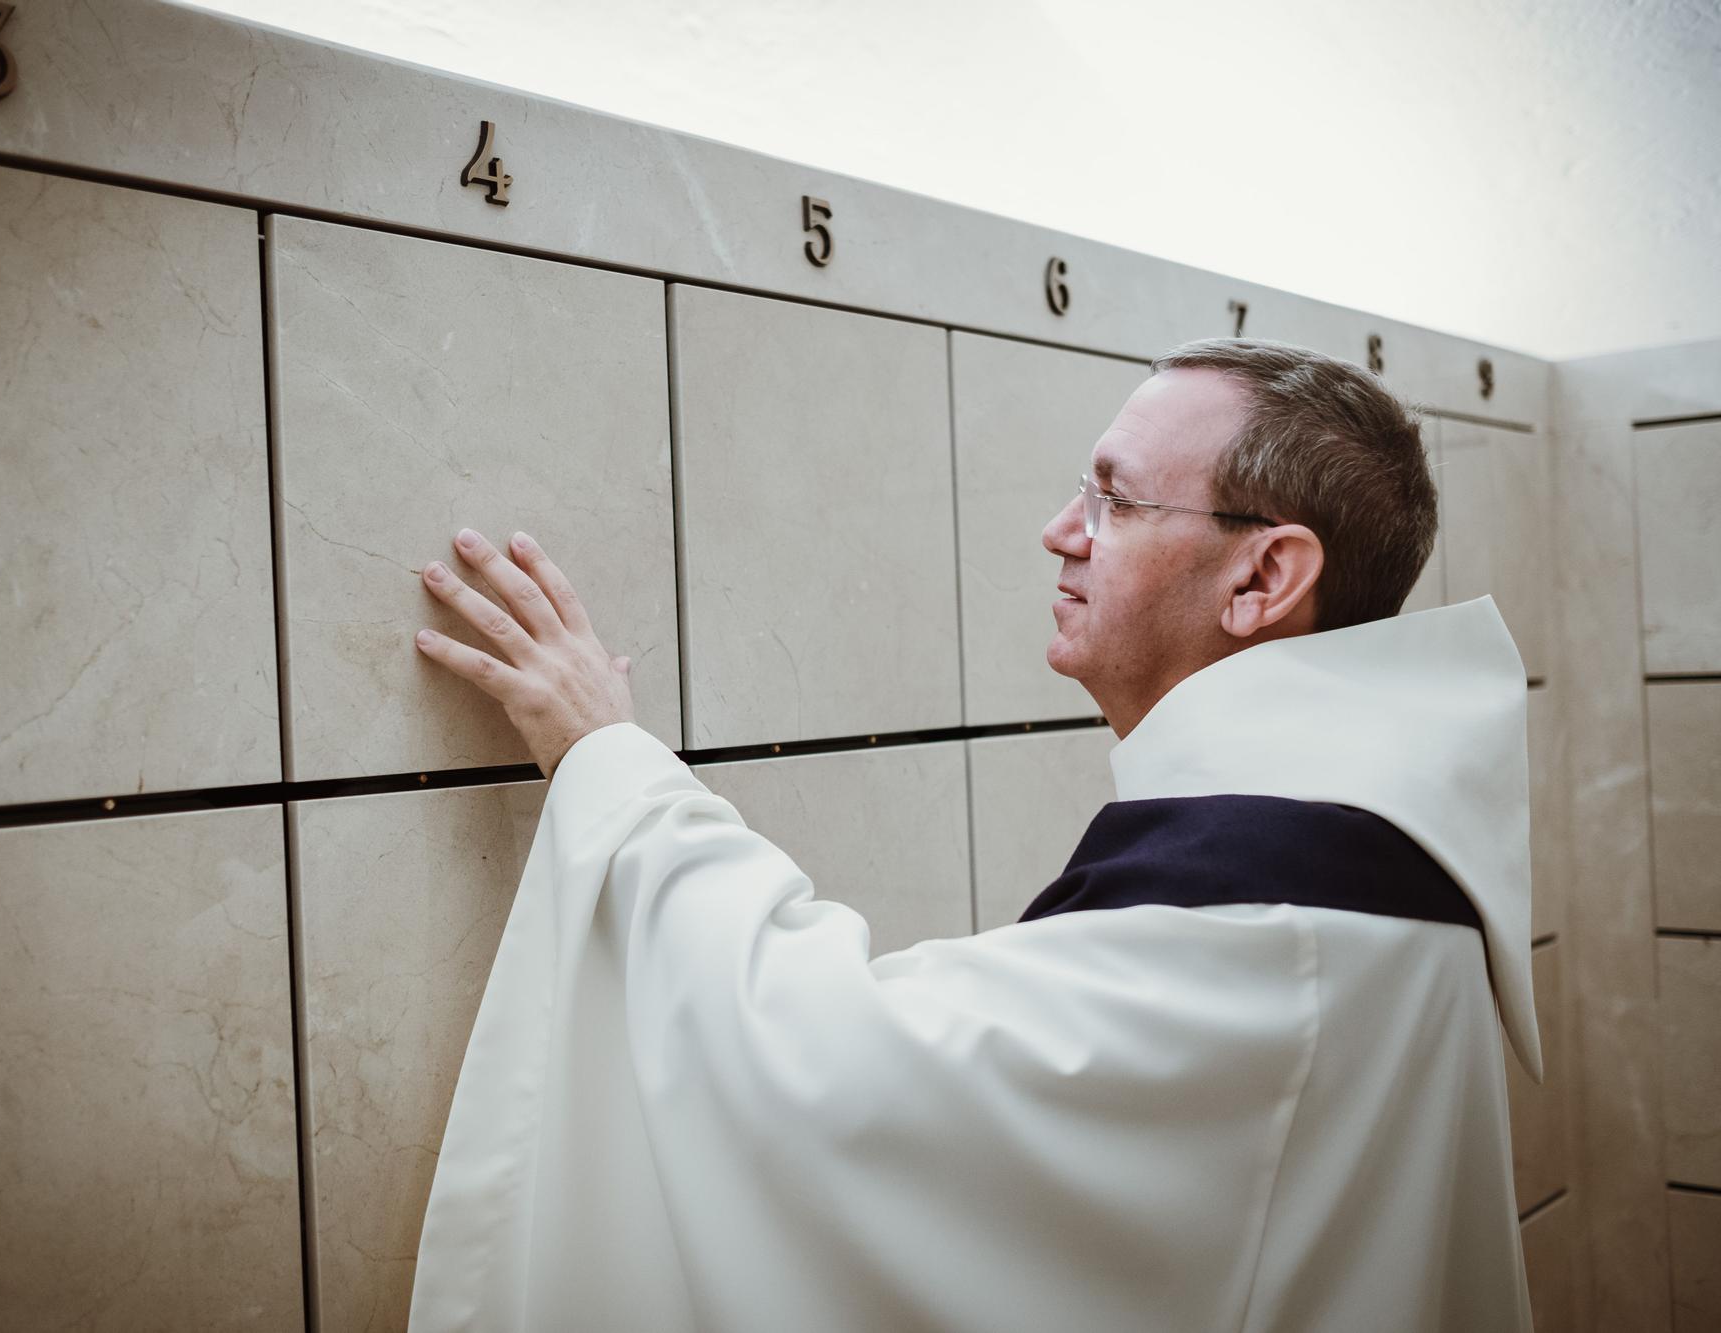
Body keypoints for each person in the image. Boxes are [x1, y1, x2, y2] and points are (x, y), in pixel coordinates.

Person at [406, 337, 1540, 1332]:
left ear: (1262, 575)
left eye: (1113, 499)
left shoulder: (1272, 897)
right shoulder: (1367, 828)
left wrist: (613, 766)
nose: (1059, 532)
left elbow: (838, 1075)